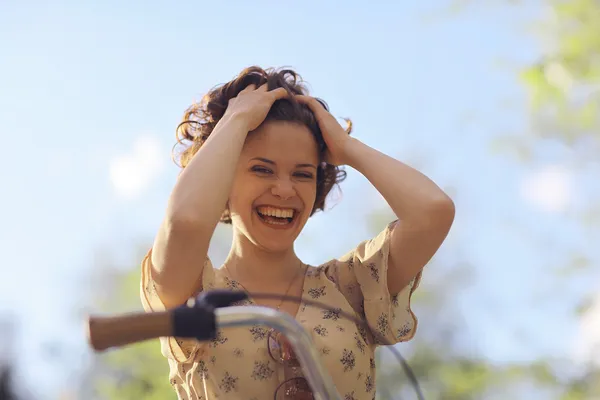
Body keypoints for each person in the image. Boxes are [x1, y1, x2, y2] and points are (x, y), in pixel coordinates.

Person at [140, 66, 455, 400]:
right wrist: (235, 120)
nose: (284, 190)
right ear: (223, 180)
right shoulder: (195, 295)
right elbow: (185, 220)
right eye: (262, 169)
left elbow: (432, 212)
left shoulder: (351, 288)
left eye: (303, 174)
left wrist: (346, 147)